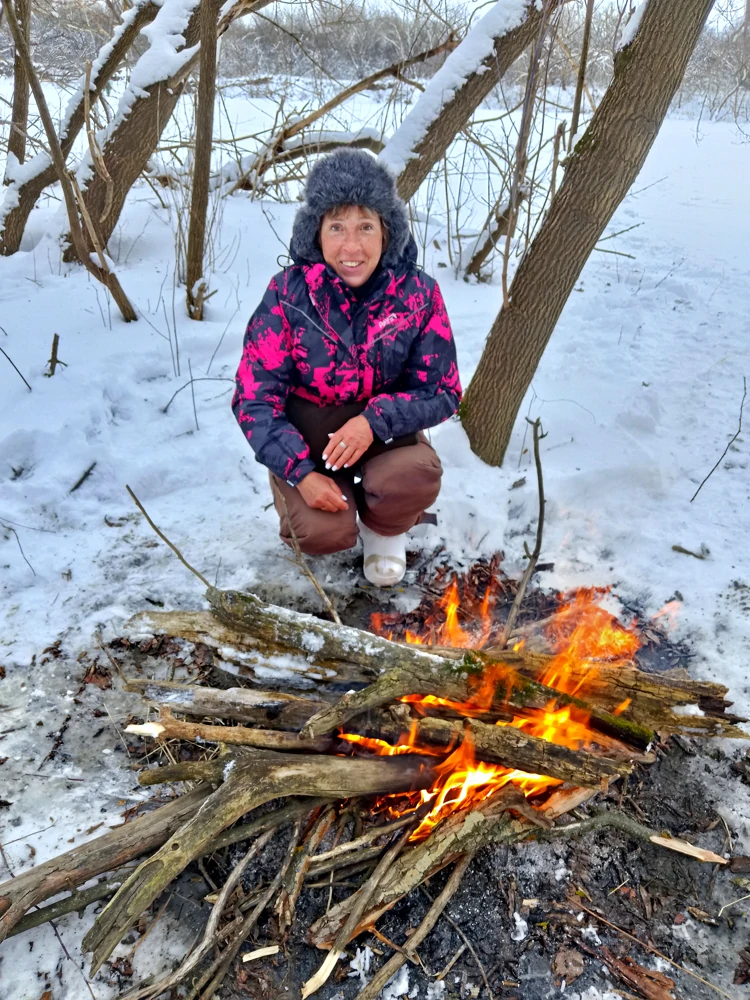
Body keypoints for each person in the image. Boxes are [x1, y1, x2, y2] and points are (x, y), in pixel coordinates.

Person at [232, 148, 461, 587]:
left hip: (383, 434)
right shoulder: (286, 295)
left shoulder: (418, 294)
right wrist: (300, 472)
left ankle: (382, 530)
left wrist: (373, 421)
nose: (351, 246)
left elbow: (443, 390)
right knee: (321, 533)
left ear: (387, 233)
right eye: (336, 227)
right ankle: (321, 497)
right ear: (315, 234)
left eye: (365, 227)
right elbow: (254, 398)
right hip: (309, 439)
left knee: (413, 476)